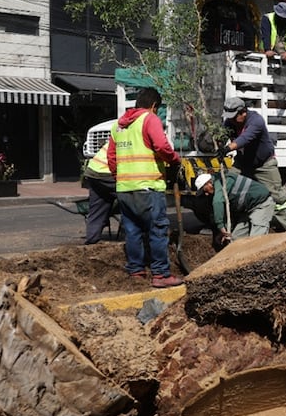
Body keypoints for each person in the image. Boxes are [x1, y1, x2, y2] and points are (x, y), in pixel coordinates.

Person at [107, 87, 184, 287]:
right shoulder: (150, 119)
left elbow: (111, 158)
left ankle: (136, 270)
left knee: (132, 231)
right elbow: (161, 146)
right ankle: (160, 275)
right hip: (148, 186)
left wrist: (121, 178)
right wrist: (175, 160)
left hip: (124, 188)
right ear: (153, 106)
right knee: (157, 229)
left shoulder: (118, 126)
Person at [223, 97, 286, 231]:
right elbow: (221, 135)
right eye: (229, 117)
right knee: (229, 185)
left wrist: (228, 148)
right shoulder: (230, 123)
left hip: (264, 164)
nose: (231, 120)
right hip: (243, 164)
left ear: (243, 112)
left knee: (277, 195)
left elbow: (245, 138)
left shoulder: (256, 121)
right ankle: (233, 225)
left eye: (234, 117)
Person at [194, 171, 275, 243]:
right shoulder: (220, 187)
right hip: (248, 209)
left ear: (209, 183)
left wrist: (221, 227)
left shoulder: (221, 182)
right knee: (235, 239)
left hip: (261, 204)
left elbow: (217, 202)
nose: (206, 194)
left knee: (256, 239)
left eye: (205, 190)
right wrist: (224, 232)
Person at [82, 136, 117, 245]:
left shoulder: (119, 135)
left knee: (98, 207)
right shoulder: (136, 140)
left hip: (93, 171)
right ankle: (133, 239)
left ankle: (92, 239)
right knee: (130, 202)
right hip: (108, 173)